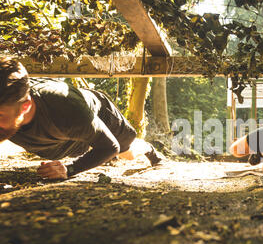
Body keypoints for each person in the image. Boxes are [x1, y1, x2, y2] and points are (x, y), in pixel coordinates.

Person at [0, 57, 164, 180]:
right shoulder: (9, 104)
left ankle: (149, 150)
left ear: (25, 106)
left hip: (98, 117)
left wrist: (69, 170)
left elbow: (109, 147)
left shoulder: (66, 108)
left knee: (126, 153)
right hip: (61, 140)